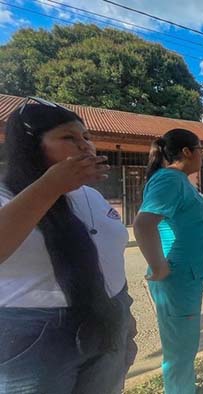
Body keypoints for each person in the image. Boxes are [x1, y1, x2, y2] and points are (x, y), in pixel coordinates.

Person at [0, 97, 136, 394]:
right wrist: (51, 186)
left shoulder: (90, 195)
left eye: (86, 137)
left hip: (107, 318)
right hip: (35, 335)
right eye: (69, 137)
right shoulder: (6, 195)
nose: (85, 145)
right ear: (31, 145)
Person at [133, 129, 203, 394]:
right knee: (180, 350)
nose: (202, 155)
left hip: (187, 278)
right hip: (176, 280)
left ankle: (186, 388)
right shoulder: (170, 179)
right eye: (201, 149)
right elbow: (143, 224)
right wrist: (159, 266)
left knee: (185, 346)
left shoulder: (178, 180)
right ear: (187, 152)